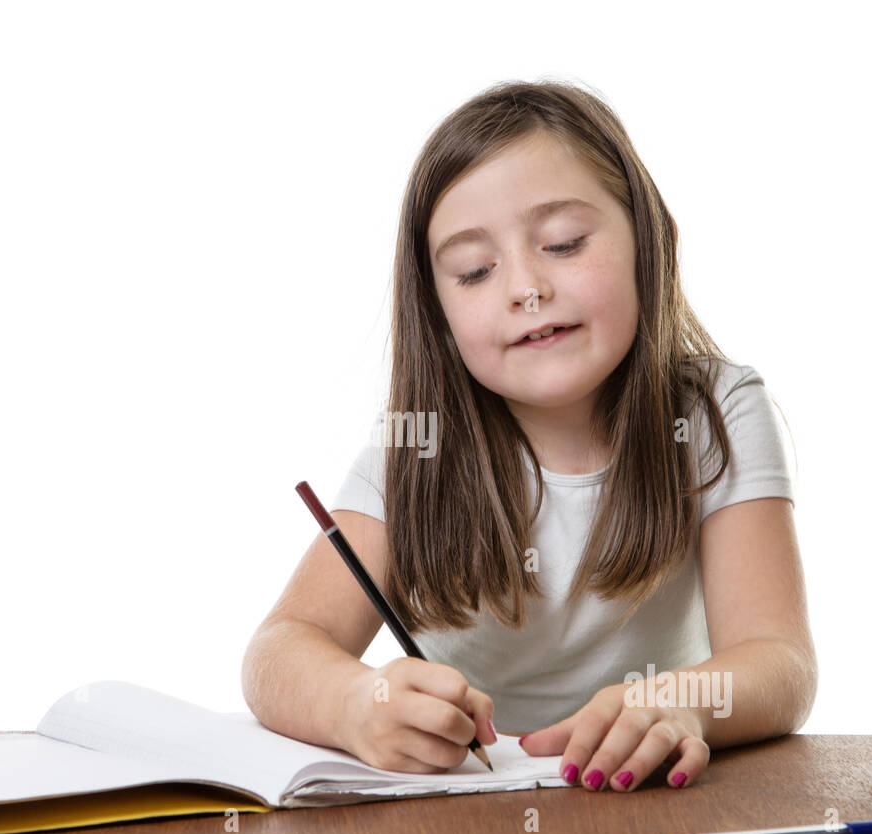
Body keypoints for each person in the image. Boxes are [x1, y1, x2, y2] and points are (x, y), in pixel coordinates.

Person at [242, 79, 816, 793]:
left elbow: (779, 659)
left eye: (563, 243)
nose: (526, 288)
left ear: (653, 239)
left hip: (650, 802)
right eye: (475, 271)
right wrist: (359, 703)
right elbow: (277, 652)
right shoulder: (419, 446)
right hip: (457, 812)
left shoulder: (715, 412)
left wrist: (676, 702)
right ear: (438, 313)